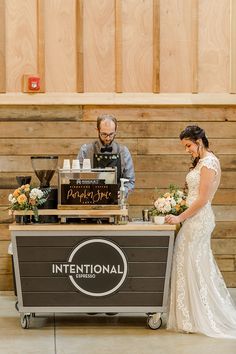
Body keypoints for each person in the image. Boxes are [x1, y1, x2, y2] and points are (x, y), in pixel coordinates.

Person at [165, 125, 236, 339]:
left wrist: (179, 217)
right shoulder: (202, 162)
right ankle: (190, 315)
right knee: (189, 262)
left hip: (199, 220)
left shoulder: (209, 163)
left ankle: (198, 315)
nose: (187, 150)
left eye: (188, 145)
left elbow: (203, 199)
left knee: (192, 262)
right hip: (193, 218)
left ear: (199, 141)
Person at [77, 114, 135, 196]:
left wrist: (122, 192)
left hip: (116, 203)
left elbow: (130, 181)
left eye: (111, 134)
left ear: (116, 130)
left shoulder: (124, 152)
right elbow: (77, 179)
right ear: (97, 130)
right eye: (104, 134)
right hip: (90, 200)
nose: (108, 138)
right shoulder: (85, 151)